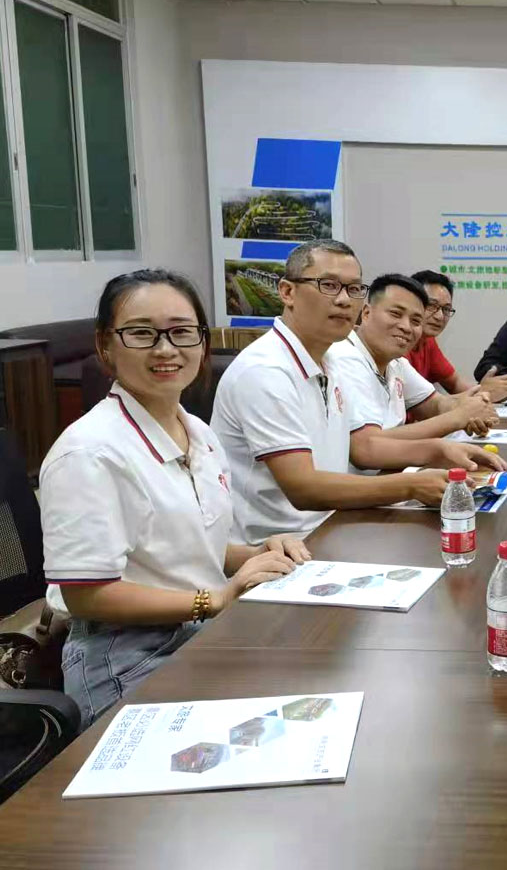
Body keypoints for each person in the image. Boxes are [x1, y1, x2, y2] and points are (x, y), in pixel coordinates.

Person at [40, 270, 308, 728]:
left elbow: (178, 546)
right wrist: (213, 600)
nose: (166, 349)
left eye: (182, 332)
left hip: (197, 628)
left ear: (203, 342)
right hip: (125, 651)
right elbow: (86, 595)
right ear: (106, 346)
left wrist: (258, 554)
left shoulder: (197, 432)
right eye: (142, 333)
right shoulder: (90, 452)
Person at [211, 240, 503, 545]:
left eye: (353, 289)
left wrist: (439, 451)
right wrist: (411, 485)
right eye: (328, 285)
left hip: (335, 523)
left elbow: (362, 447)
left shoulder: (330, 359)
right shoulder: (266, 369)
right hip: (278, 548)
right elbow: (303, 487)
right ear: (287, 292)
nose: (343, 300)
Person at [325, 273, 501, 453]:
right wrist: (458, 417)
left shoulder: (396, 362)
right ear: (366, 313)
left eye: (415, 321)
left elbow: (435, 405)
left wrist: (469, 406)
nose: (406, 327)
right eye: (396, 314)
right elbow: (368, 446)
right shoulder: (344, 357)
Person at [408, 269, 507, 403]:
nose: (439, 316)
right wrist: (483, 392)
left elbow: (455, 383)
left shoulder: (428, 341)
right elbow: (424, 405)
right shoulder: (398, 347)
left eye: (446, 309)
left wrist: (494, 390)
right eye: (431, 305)